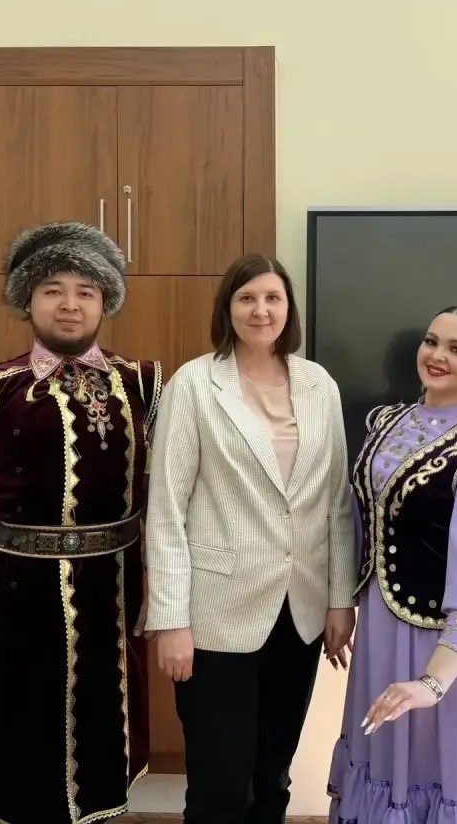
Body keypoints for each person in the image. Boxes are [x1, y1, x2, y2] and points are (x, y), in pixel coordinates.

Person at [0, 221, 164, 824]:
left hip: (112, 599)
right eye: (53, 289)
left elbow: (169, 499)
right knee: (16, 758)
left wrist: (166, 594)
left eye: (85, 291)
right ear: (28, 299)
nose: (70, 304)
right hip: (12, 601)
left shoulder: (145, 384)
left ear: (105, 302)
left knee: (100, 754)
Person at [144, 253, 357, 824]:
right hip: (215, 616)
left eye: (273, 298)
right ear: (228, 308)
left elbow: (336, 501)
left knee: (271, 777)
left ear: (288, 309)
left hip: (301, 612)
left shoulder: (318, 384)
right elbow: (166, 511)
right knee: (220, 786)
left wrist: (341, 599)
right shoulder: (194, 383)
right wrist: (171, 620)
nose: (261, 310)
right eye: (247, 298)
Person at [328, 305, 457, 824]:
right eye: (432, 341)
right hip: (379, 624)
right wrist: (340, 601)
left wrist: (433, 683)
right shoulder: (384, 421)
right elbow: (356, 518)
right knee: (381, 748)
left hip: (438, 639)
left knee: (431, 761)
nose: (437, 355)